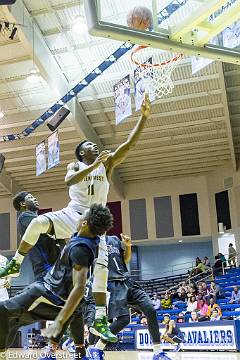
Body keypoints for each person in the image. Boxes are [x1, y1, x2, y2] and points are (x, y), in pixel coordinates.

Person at [0, 95, 151, 341]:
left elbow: (128, 145)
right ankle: (16, 262)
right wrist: (93, 167)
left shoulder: (107, 164)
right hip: (73, 213)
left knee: (100, 269)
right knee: (38, 222)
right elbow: (70, 181)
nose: (94, 146)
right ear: (82, 153)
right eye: (89, 145)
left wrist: (142, 119)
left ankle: (100, 319)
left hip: (95, 222)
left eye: (94, 145)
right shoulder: (75, 166)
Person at [0, 204, 113, 360]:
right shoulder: (85, 237)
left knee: (2, 310)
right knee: (13, 322)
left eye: (82, 215)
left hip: (47, 294)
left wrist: (60, 321)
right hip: (49, 292)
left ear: (85, 223)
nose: (78, 216)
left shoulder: (80, 249)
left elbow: (79, 288)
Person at [95, 234, 169, 360]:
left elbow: (126, 259)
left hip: (128, 281)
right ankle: (97, 348)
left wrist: (128, 246)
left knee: (150, 310)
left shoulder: (114, 239)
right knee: (124, 320)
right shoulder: (92, 241)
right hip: (113, 285)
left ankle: (158, 352)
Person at [13, 192, 65, 281]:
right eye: (30, 197)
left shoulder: (37, 219)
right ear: (22, 204)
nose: (35, 199)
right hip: (46, 266)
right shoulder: (25, 216)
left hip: (52, 265)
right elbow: (55, 232)